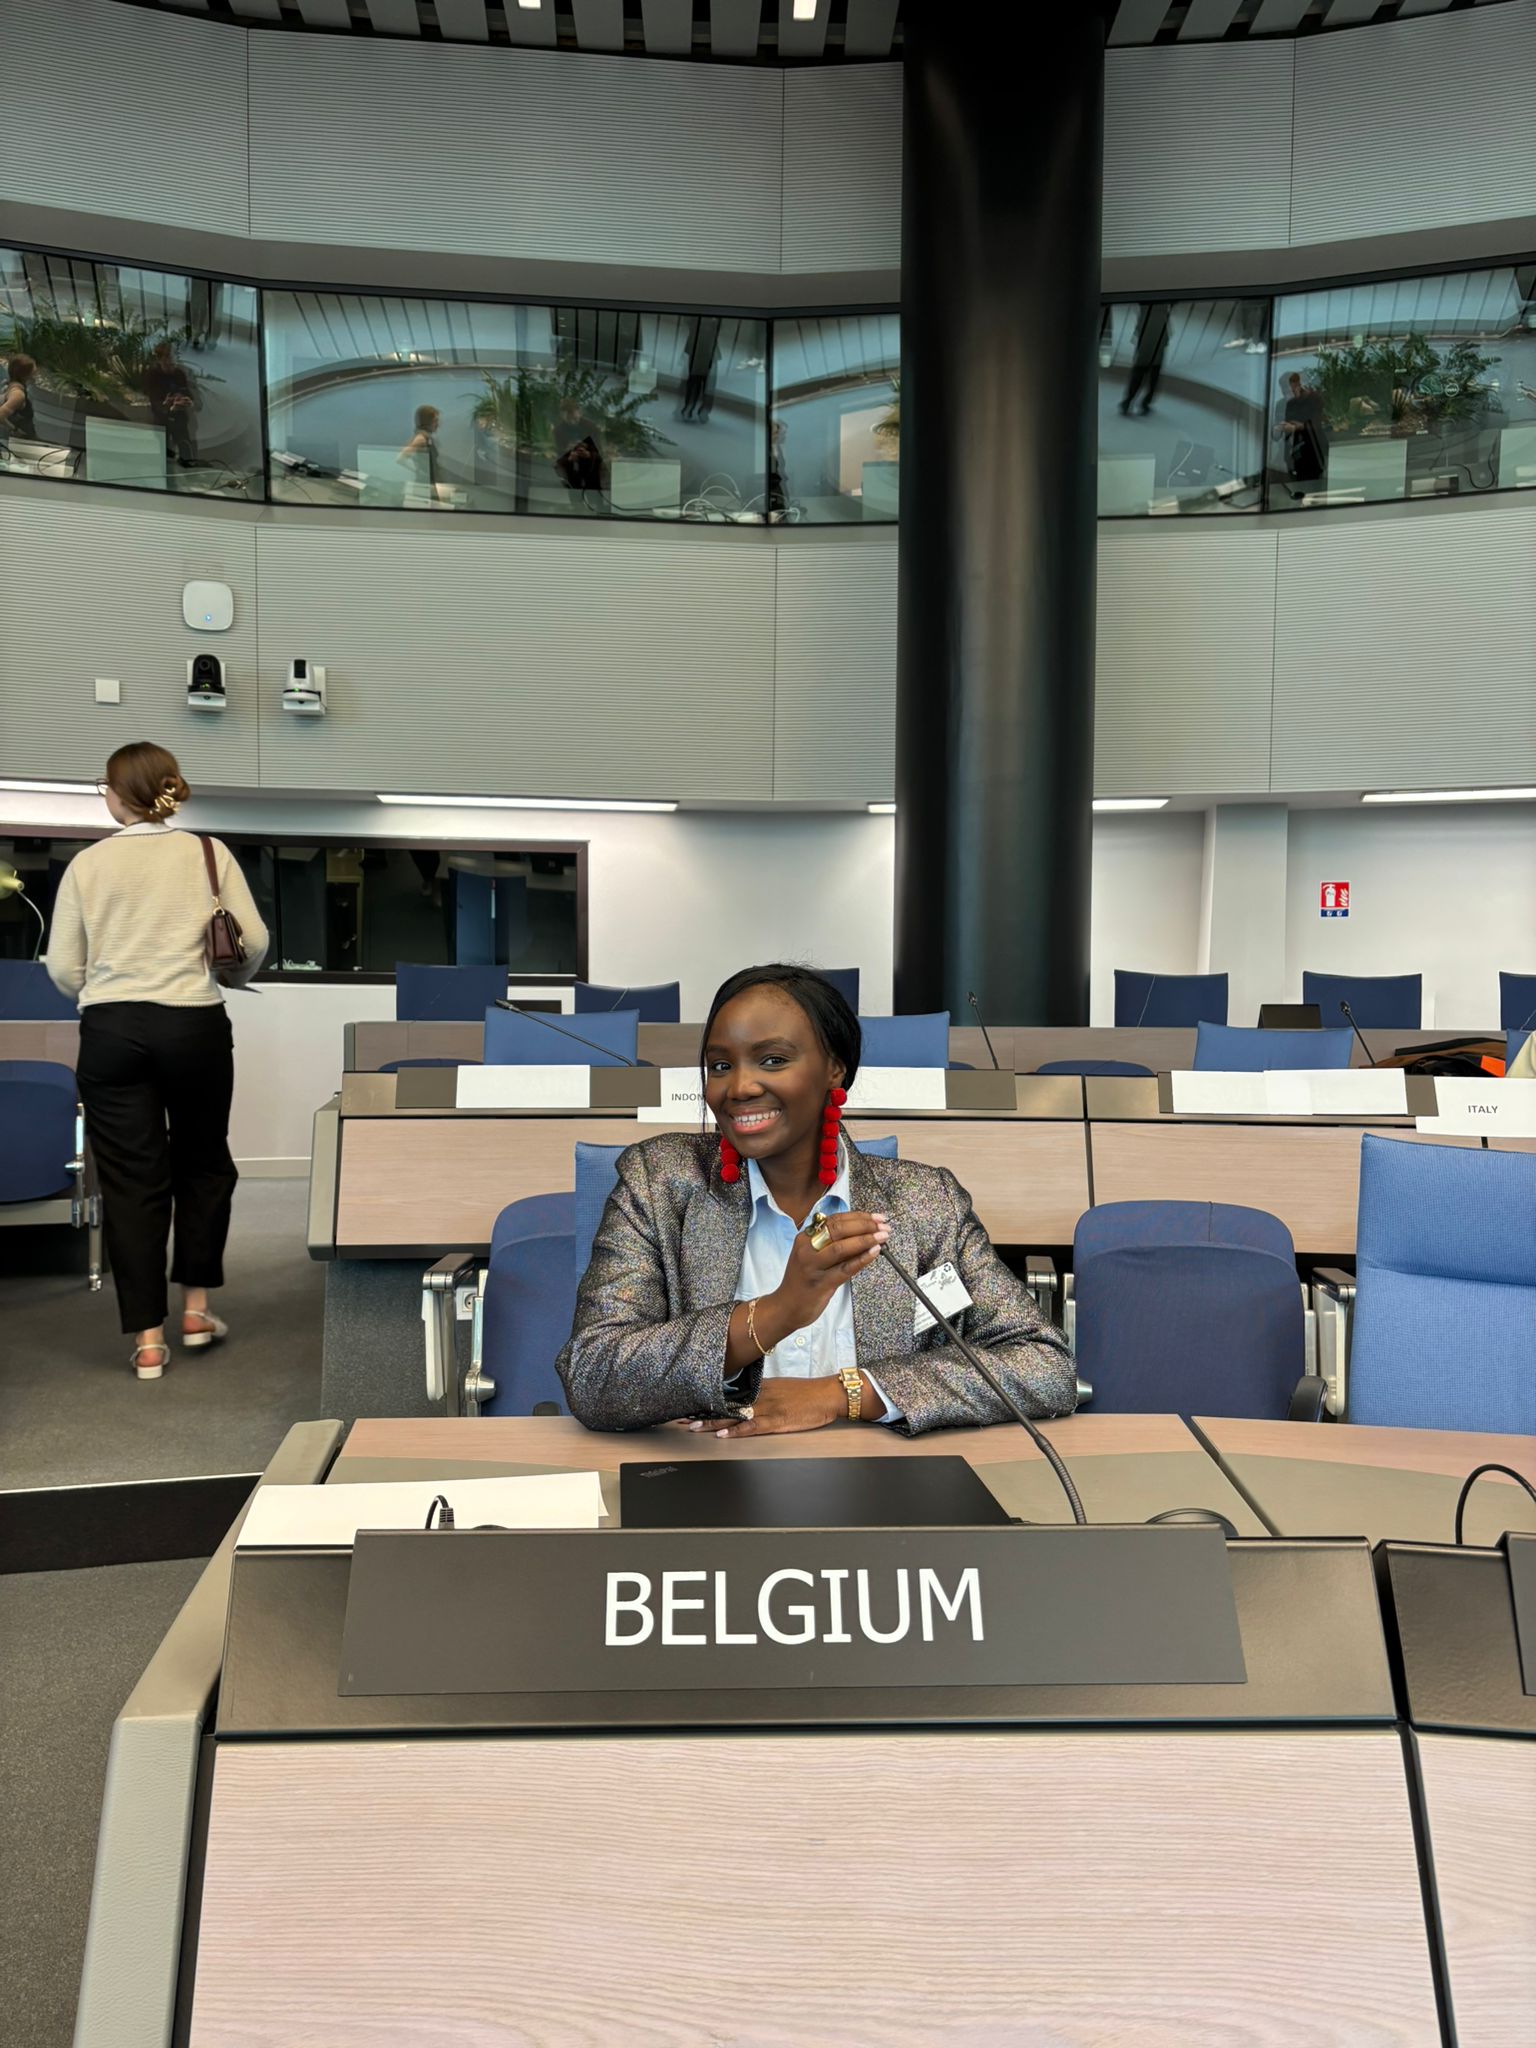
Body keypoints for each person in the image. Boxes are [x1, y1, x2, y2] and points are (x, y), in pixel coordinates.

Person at [557, 965, 1076, 1436]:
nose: (738, 1087)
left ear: (835, 1068)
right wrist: (778, 1312)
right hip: (708, 1480)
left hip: (882, 1490)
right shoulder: (660, 1181)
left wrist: (845, 1394)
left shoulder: (926, 1202)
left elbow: (1045, 1367)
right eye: (719, 1066)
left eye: (773, 1059)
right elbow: (593, 1374)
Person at [44, 742, 268, 1380]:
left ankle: (148, 1341)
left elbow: (62, 967)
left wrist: (103, 989)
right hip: (192, 1024)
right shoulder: (207, 853)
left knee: (131, 1183)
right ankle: (196, 1308)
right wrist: (230, 973)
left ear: (120, 794)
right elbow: (254, 941)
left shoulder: (88, 865)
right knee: (202, 1163)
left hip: (112, 1031)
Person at [141, 339, 197, 467]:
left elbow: (188, 393)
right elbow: (155, 401)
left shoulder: (179, 374)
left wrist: (188, 401)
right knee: (162, 455)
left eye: (172, 358)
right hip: (162, 422)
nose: (170, 362)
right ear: (160, 360)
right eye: (166, 358)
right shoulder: (153, 376)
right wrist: (169, 406)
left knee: (186, 451)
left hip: (180, 420)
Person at [1274, 371, 1325, 487]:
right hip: (1290, 453)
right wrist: (1278, 429)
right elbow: (1276, 435)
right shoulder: (1281, 405)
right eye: (1284, 391)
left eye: (1289, 390)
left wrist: (1296, 427)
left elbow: (1317, 424)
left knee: (1313, 485)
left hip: (1312, 452)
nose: (1287, 394)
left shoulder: (1313, 399)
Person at [398, 404, 440, 496]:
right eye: (435, 421)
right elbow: (400, 458)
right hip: (424, 485)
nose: (438, 424)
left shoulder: (426, 437)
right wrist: (420, 472)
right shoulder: (421, 438)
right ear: (427, 422)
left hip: (428, 483)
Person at [0, 352, 38, 445]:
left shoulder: (10, 384)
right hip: (21, 442)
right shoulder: (18, 394)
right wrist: (15, 430)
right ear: (25, 375)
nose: (35, 375)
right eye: (33, 372)